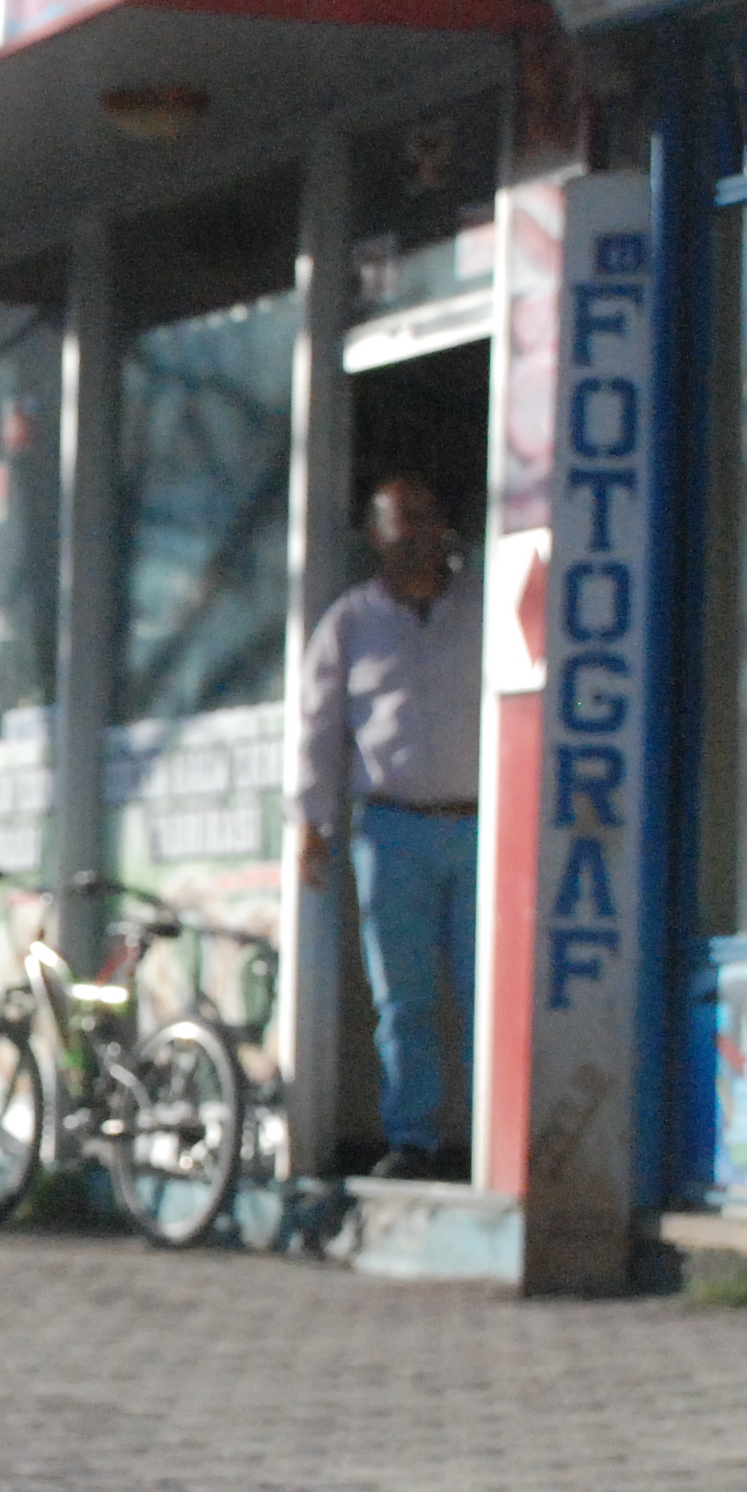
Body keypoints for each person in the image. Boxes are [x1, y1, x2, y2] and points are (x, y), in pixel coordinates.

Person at [292, 475, 483, 1181]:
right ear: (375, 536)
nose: (417, 535)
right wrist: (310, 822)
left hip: (483, 827)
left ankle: (491, 1141)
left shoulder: (485, 608)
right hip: (392, 829)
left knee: (487, 989)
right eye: (402, 523)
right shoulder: (350, 623)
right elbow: (317, 729)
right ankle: (414, 1137)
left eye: (427, 518)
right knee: (403, 997)